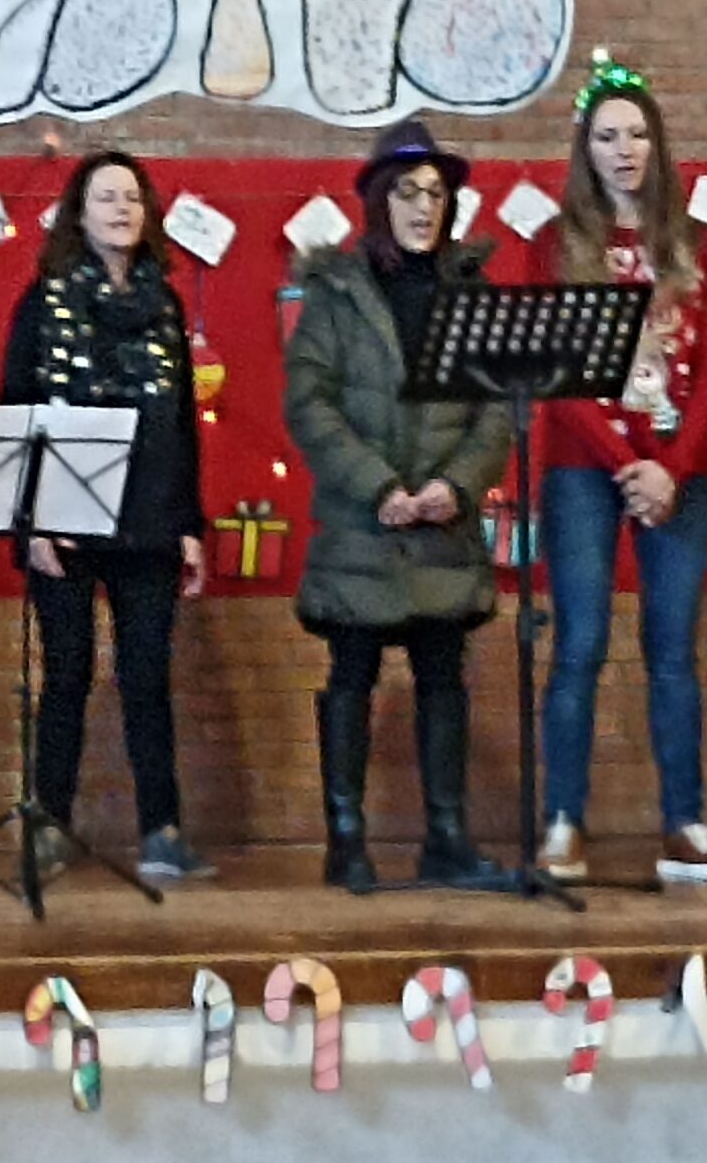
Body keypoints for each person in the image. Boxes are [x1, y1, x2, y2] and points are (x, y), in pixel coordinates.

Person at [527, 56, 707, 884]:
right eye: (608, 137)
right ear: (585, 150)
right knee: (579, 642)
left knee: (673, 648)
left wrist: (671, 468)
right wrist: (627, 465)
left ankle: (686, 822)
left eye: (638, 135)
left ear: (658, 146)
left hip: (680, 473)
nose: (624, 150)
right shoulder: (557, 247)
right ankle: (563, 823)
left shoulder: (698, 248)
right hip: (586, 470)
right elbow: (559, 378)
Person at [284, 118, 511, 893]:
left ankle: (446, 837)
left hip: (444, 526)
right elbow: (309, 403)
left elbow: (496, 412)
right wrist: (378, 486)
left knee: (443, 673)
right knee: (351, 671)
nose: (423, 208)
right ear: (381, 200)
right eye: (409, 192)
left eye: (437, 195)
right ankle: (346, 839)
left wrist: (458, 486)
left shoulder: (472, 292)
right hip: (362, 524)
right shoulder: (336, 293)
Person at [0, 150, 210, 882]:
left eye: (132, 198)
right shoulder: (45, 301)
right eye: (106, 198)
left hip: (149, 521)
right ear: (79, 215)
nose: (121, 209)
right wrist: (31, 519)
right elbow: (15, 410)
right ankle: (50, 826)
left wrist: (190, 524)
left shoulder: (166, 306)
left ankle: (162, 832)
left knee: (147, 679)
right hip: (63, 520)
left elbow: (181, 423)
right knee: (66, 675)